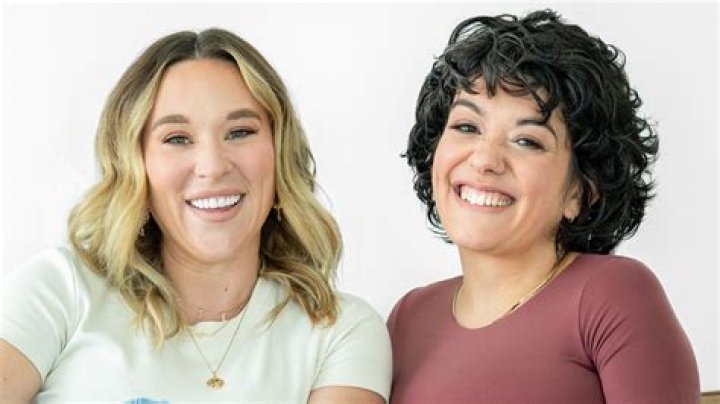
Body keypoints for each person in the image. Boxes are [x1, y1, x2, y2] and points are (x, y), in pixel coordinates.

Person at [0, 28, 391, 403]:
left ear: (280, 155)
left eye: (240, 132)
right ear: (135, 166)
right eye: (177, 139)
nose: (213, 166)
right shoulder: (60, 288)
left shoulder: (341, 331)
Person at [388, 9, 699, 403]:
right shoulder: (409, 317)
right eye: (467, 127)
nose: (484, 159)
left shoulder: (611, 297)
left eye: (527, 141)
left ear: (581, 191)